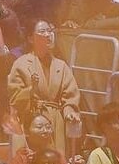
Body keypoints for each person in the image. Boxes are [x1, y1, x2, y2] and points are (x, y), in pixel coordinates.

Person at [7, 20, 82, 156]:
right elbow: (15, 99)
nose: (48, 35)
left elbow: (70, 95)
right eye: (42, 31)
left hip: (56, 121)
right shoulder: (21, 64)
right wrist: (31, 90)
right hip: (31, 121)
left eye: (50, 31)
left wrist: (69, 112)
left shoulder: (61, 66)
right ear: (31, 38)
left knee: (55, 159)